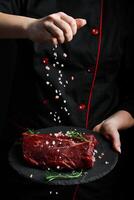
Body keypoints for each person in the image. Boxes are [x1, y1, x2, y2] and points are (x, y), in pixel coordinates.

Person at [0, 0, 134, 199]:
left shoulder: (123, 10)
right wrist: (29, 26)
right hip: (28, 152)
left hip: (97, 155)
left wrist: (116, 121)